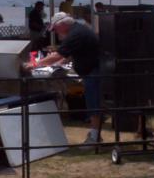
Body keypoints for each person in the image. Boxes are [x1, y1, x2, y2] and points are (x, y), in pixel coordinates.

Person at [24, 12, 102, 148]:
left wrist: (35, 64)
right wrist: (60, 62)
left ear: (63, 25)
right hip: (91, 71)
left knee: (93, 104)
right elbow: (70, 53)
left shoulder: (75, 34)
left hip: (93, 72)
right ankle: (95, 134)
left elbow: (59, 54)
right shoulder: (78, 30)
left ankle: (94, 137)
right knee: (92, 102)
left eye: (55, 28)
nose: (55, 31)